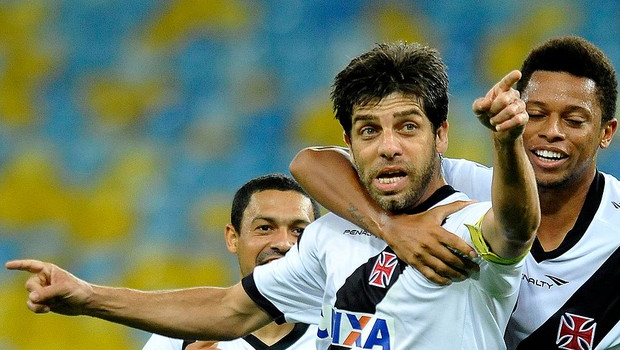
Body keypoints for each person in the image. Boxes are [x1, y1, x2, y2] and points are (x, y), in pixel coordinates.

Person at [5, 41, 540, 349]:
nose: (388, 148)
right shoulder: (330, 236)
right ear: (350, 142)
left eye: (408, 127)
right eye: (369, 131)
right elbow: (229, 309)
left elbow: (516, 227)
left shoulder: (467, 223)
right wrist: (88, 297)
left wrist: (508, 143)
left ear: (440, 134)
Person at [289, 35, 620, 349]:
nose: (551, 132)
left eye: (574, 120)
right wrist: (389, 226)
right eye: (535, 115)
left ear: (606, 132)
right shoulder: (465, 185)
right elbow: (310, 163)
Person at [143, 173, 321, 349]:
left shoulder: (340, 331)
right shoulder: (185, 334)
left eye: (298, 231)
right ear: (233, 238)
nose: (283, 243)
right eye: (265, 228)